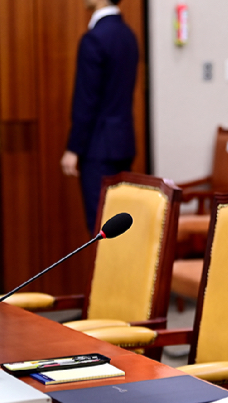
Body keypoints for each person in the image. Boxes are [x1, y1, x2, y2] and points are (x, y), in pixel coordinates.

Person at [61, 0, 138, 234]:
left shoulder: (94, 38)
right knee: (120, 225)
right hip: (123, 142)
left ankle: (110, 273)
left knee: (100, 227)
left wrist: (73, 148)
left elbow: (87, 100)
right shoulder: (128, 35)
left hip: (98, 147)